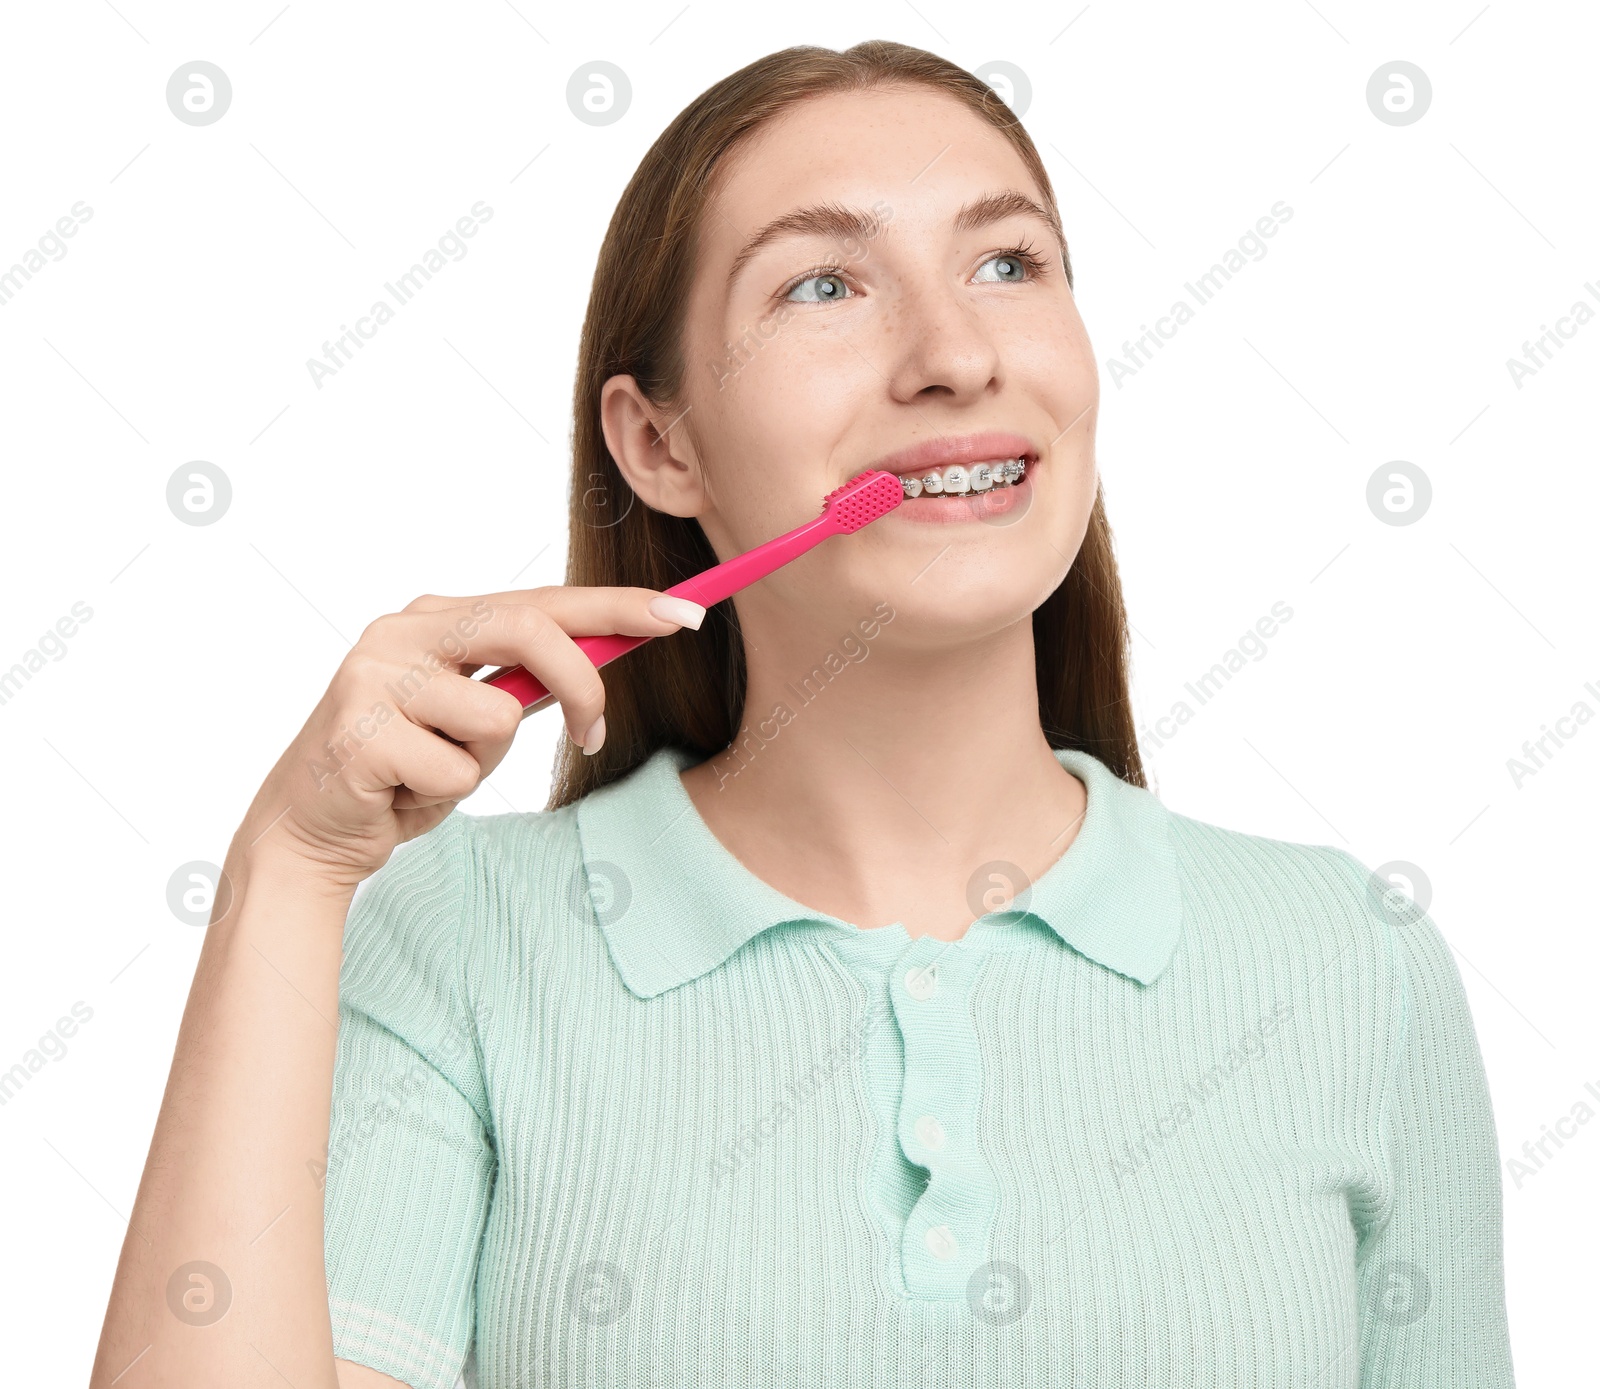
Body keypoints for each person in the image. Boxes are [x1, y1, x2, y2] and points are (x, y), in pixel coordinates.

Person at [91, 39, 1515, 1389]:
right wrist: (288, 869)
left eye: (1009, 262)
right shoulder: (461, 942)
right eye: (825, 287)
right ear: (661, 444)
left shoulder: (1354, 964)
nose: (955, 353)